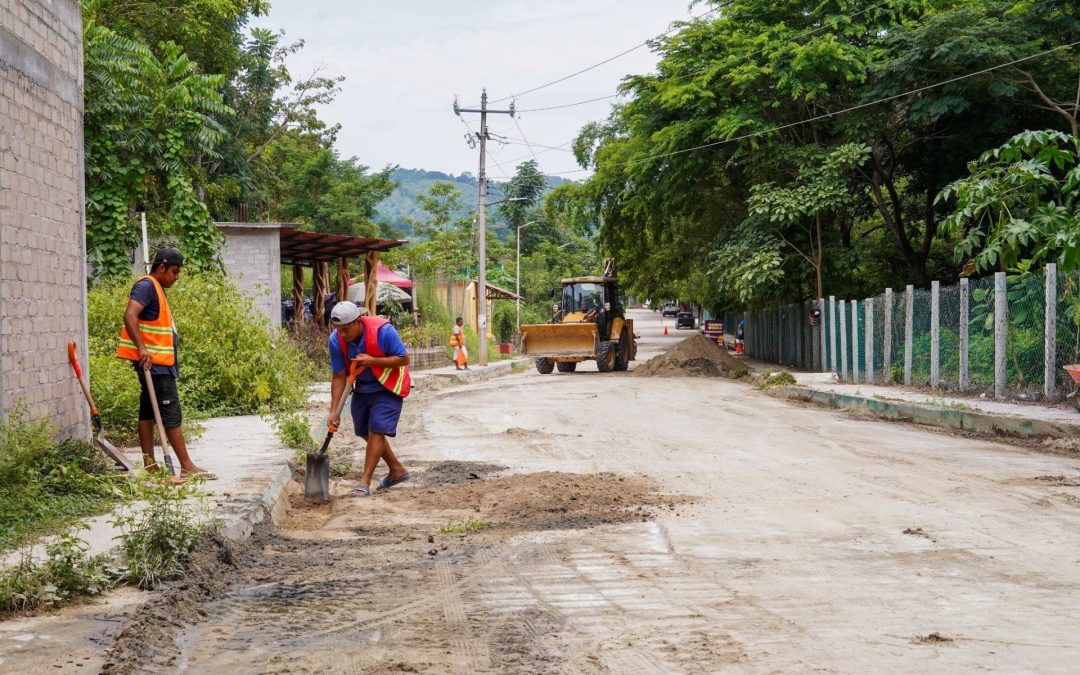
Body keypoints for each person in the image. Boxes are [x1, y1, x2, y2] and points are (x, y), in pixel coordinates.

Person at [116, 247, 215, 479]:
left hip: (157, 363)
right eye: (175, 271)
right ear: (162, 268)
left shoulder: (156, 288)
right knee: (171, 414)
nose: (177, 277)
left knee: (147, 413)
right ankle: (187, 466)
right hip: (156, 364)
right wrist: (142, 348)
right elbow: (129, 315)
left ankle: (150, 465)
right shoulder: (147, 286)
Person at [328, 301, 411, 497]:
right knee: (364, 431)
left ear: (358, 321)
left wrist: (373, 361)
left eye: (346, 329)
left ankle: (364, 482)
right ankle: (397, 470)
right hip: (363, 388)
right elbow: (339, 376)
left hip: (389, 386)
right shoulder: (335, 341)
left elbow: (404, 358)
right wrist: (333, 411)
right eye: (339, 330)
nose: (342, 334)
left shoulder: (383, 331)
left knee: (377, 429)